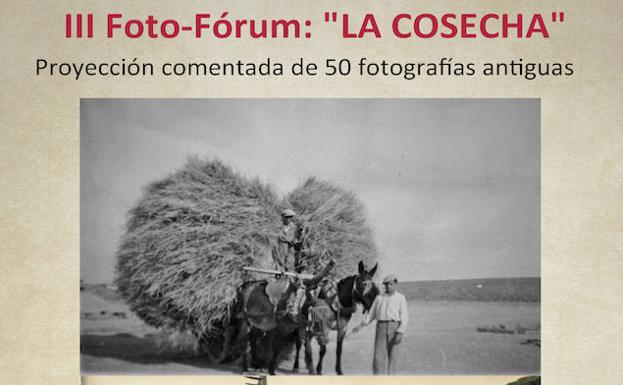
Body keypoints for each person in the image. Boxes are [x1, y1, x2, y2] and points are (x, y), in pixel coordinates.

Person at [351, 274, 409, 374]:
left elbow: (404, 317)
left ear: (395, 284)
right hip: (381, 327)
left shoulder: (400, 298)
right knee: (378, 357)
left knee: (393, 356)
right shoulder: (379, 298)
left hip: (394, 328)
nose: (388, 286)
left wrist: (400, 332)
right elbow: (371, 314)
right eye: (385, 284)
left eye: (390, 284)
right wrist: (360, 326)